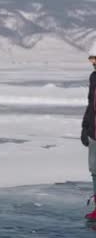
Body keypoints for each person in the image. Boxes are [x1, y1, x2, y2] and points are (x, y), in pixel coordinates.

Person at [82, 42, 96, 220]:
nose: (91, 60)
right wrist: (84, 126)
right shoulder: (94, 77)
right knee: (94, 169)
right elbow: (90, 103)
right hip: (94, 132)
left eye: (93, 57)